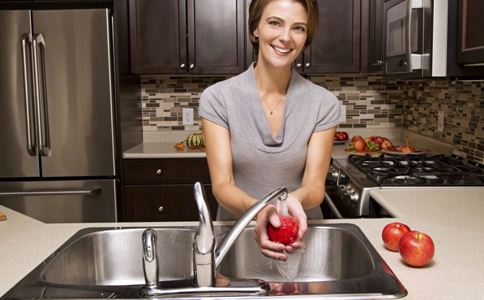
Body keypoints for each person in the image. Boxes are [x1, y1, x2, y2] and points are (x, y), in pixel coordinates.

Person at [199, 0, 340, 261]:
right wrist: (262, 211)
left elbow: (314, 187)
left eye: (298, 28)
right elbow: (222, 185)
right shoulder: (218, 98)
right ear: (256, 28)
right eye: (275, 23)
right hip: (236, 235)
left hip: (299, 239)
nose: (285, 38)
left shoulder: (324, 103)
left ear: (306, 37)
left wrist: (289, 205)